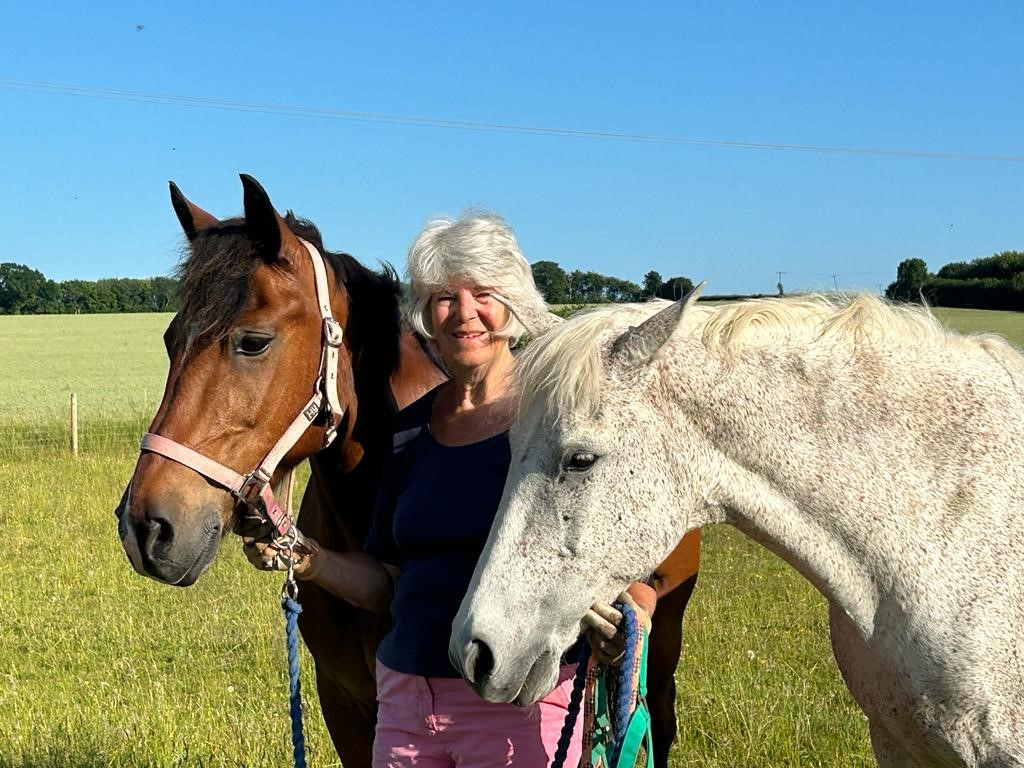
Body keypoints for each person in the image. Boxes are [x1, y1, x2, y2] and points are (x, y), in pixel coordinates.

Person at [244, 212, 627, 768]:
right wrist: (307, 559)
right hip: (404, 700)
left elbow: (627, 550)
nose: (464, 312)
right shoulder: (406, 432)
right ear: (426, 313)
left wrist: (625, 620)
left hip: (514, 703)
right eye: (445, 297)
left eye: (484, 294)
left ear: (515, 304)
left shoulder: (557, 426)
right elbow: (388, 582)